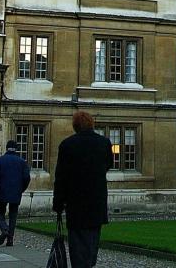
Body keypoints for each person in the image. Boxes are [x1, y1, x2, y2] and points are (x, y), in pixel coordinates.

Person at [53, 111, 113, 268]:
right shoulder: (104, 143)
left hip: (76, 203)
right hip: (96, 202)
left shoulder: (67, 145)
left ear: (75, 126)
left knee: (78, 246)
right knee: (92, 243)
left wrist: (58, 204)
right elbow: (108, 165)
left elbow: (61, 178)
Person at [0, 139, 31, 246]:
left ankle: (4, 229)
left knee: (0, 212)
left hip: (3, 190)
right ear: (16, 149)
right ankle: (10, 239)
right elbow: (27, 178)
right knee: (13, 215)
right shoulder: (21, 162)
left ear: (7, 148)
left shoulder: (0, 160)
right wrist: (22, 189)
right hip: (16, 191)